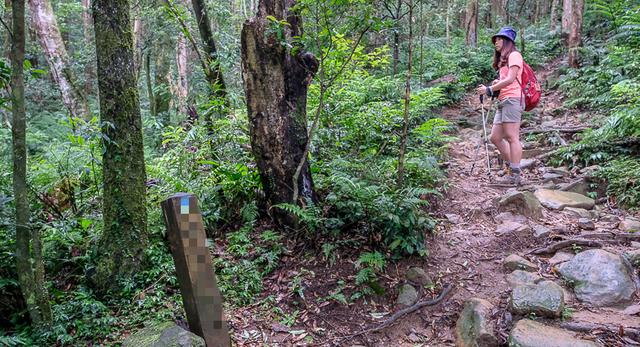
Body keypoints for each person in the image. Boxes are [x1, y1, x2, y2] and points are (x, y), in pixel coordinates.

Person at [476, 26, 524, 185]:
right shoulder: (503, 62)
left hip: (513, 99)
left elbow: (511, 80)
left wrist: (489, 89)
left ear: (507, 41)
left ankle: (515, 174)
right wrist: (496, 84)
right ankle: (511, 167)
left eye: (499, 39)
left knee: (511, 137)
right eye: (495, 40)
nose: (496, 42)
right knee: (495, 137)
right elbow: (505, 80)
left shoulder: (515, 55)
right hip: (503, 100)